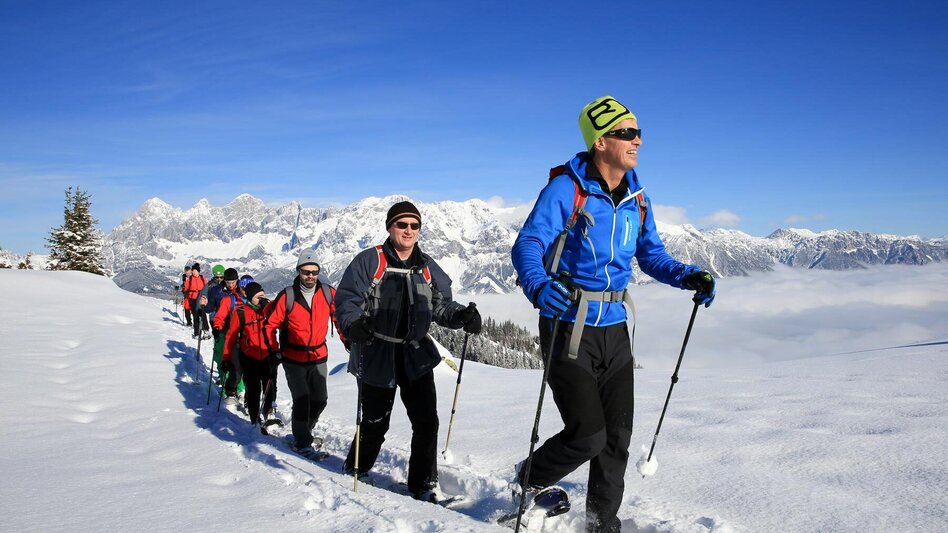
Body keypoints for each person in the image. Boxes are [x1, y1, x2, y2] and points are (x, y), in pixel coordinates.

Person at [510, 95, 716, 532]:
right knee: (587, 434)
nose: (638, 140)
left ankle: (602, 525)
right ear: (600, 141)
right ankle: (526, 481)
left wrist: (687, 276)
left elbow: (651, 254)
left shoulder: (638, 196)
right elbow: (529, 242)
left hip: (617, 328)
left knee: (616, 441)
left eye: (639, 132)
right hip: (568, 324)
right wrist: (538, 285)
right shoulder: (567, 189)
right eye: (627, 133)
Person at [334, 201, 482, 502]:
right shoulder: (369, 261)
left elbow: (440, 304)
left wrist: (461, 316)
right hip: (376, 352)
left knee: (427, 421)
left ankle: (423, 484)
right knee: (376, 421)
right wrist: (353, 325)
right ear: (390, 227)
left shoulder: (427, 266)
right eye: (402, 224)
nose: (408, 231)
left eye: (414, 226)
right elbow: (347, 298)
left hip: (415, 353)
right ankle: (357, 469)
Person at [264, 249, 343, 459]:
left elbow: (339, 319)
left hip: (319, 356)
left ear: (318, 272)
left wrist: (349, 341)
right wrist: (273, 349)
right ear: (299, 271)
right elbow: (269, 325)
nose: (310, 276)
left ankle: (304, 431)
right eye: (306, 271)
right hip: (293, 358)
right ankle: (302, 442)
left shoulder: (328, 293)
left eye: (314, 272)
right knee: (302, 398)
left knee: (320, 399)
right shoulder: (288, 295)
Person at [221, 281, 277, 431]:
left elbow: (278, 321)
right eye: (258, 297)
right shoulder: (240, 312)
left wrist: (276, 351)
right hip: (249, 356)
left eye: (263, 296)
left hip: (267, 355)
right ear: (251, 297)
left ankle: (268, 413)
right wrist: (226, 358)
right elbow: (231, 336)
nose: (261, 300)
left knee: (269, 386)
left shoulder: (268, 311)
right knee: (253, 389)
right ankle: (254, 417)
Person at [185, 263, 210, 339]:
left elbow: (206, 288)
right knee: (195, 315)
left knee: (203, 314)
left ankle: (206, 330)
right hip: (192, 298)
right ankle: (196, 333)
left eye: (196, 271)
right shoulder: (190, 279)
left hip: (201, 298)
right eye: (193, 271)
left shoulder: (203, 278)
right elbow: (186, 289)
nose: (194, 272)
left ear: (199, 271)